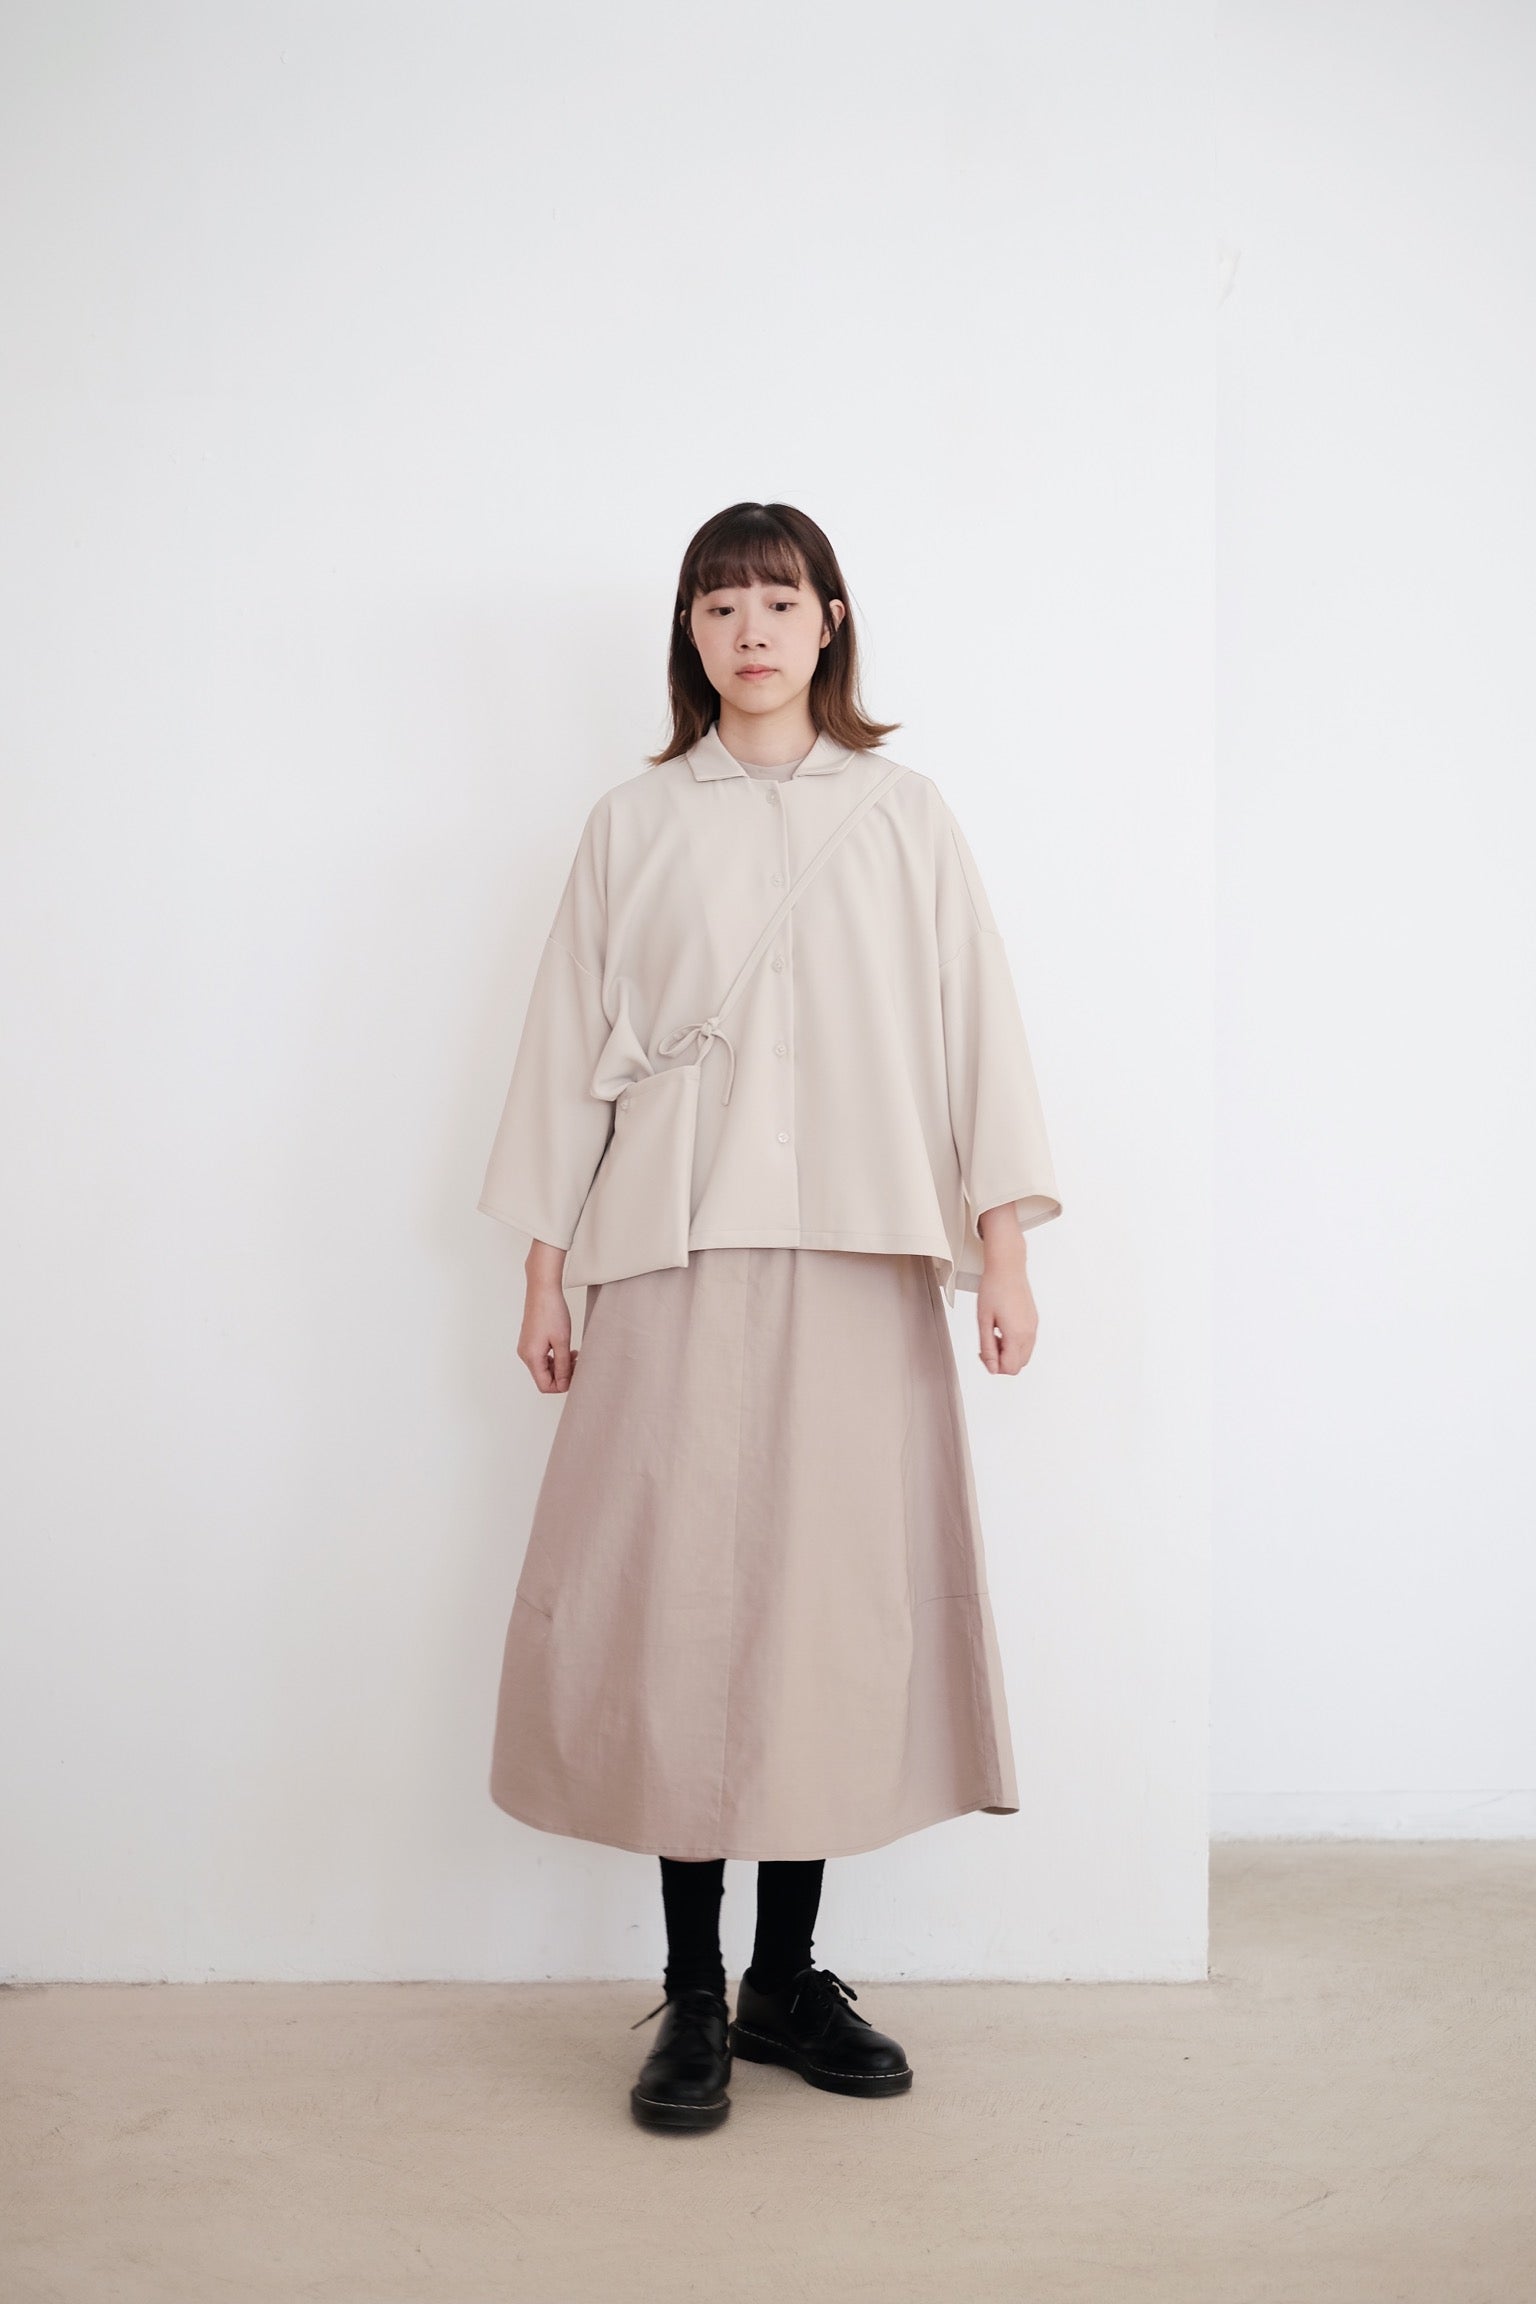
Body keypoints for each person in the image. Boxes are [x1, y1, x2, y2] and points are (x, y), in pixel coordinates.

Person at [478, 501, 1063, 2133]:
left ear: (830, 622)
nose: (751, 629)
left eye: (779, 601)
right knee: (678, 1605)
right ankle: (689, 1992)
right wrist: (544, 1269)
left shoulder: (904, 815)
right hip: (668, 1244)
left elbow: (975, 1028)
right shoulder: (633, 823)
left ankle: (784, 1979)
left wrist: (1003, 1251)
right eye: (720, 604)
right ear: (690, 631)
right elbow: (563, 1047)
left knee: (823, 1607)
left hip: (865, 1247)